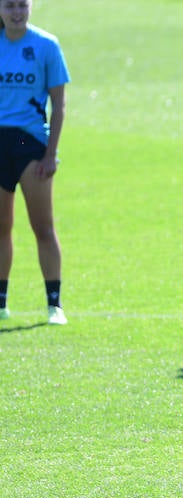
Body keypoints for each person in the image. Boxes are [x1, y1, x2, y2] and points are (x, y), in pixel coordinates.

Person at [0, 0, 68, 325]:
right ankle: (1, 301)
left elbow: (59, 102)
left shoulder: (46, 45)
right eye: (9, 6)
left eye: (21, 6)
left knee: (43, 227)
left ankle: (54, 304)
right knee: (1, 227)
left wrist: (50, 153)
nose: (16, 12)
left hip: (30, 145)